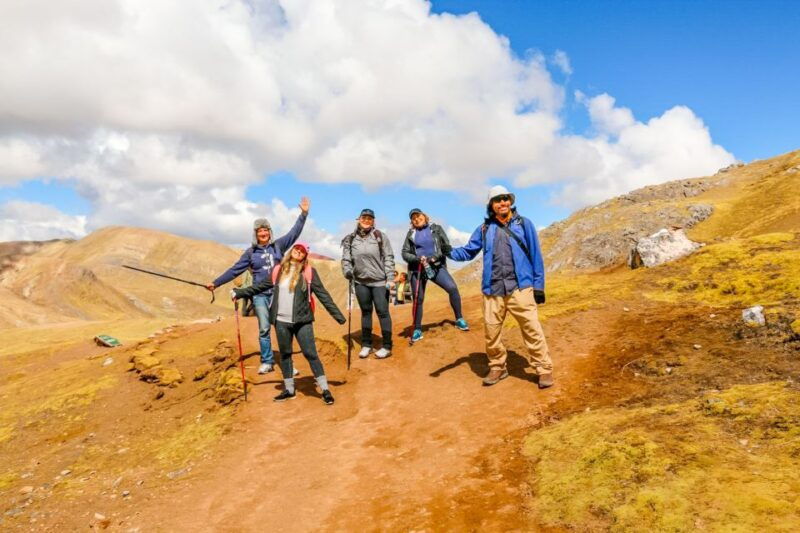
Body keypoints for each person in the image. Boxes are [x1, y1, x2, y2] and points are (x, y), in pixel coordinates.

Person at [447, 186, 554, 389]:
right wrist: (447, 251)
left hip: (520, 287)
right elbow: (468, 252)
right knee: (491, 333)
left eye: (505, 199)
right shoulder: (484, 229)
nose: (502, 203)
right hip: (492, 290)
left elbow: (535, 255)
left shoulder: (524, 224)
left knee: (532, 329)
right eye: (497, 200)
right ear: (491, 205)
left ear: (510, 201)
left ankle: (543, 369)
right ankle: (498, 366)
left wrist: (538, 286)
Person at [232, 242, 346, 404]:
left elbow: (323, 295)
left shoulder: (309, 272)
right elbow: (259, 287)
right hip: (281, 321)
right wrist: (239, 293)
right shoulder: (278, 270)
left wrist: (338, 316)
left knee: (310, 354)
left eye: (302, 251)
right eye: (296, 249)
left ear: (305, 256)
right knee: (285, 355)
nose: (298, 252)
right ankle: (289, 390)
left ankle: (325, 390)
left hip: (302, 321)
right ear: (292, 250)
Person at [207, 197, 310, 374]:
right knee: (264, 328)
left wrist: (304, 214)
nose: (263, 233)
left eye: (265, 230)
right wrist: (216, 283)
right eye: (260, 231)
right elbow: (234, 270)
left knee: (283, 329)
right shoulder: (250, 253)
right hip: (260, 296)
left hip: (279, 294)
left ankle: (287, 363)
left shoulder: (278, 246)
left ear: (270, 232)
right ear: (255, 234)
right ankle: (267, 361)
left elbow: (294, 233)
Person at [401, 208, 469, 343]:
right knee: (418, 299)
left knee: (452, 288)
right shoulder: (411, 234)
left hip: (436, 266)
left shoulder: (436, 229)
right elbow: (404, 252)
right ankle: (417, 329)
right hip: (417, 269)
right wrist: (417, 259)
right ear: (412, 222)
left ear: (424, 216)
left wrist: (435, 257)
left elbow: (445, 246)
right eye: (413, 218)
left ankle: (459, 318)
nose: (416, 219)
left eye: (418, 216)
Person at [341, 208, 395, 359]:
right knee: (366, 312)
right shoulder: (350, 239)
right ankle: (366, 344)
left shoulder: (380, 237)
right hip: (360, 282)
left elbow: (389, 257)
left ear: (373, 221)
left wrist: (390, 278)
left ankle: (387, 346)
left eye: (369, 218)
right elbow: (346, 259)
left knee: (383, 312)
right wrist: (347, 271)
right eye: (364, 218)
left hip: (379, 282)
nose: (366, 220)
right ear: (358, 219)